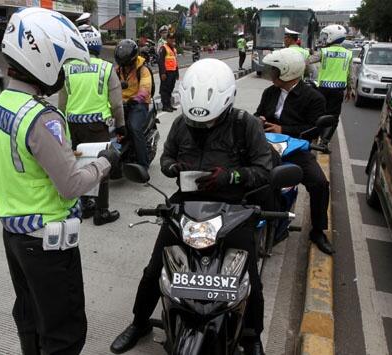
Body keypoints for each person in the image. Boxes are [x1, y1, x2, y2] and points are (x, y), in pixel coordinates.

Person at [110, 59, 273, 355]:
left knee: (249, 279)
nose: (200, 127)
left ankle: (252, 336)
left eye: (208, 122)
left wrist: (232, 176)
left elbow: (264, 169)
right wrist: (174, 167)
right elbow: (166, 157)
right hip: (186, 205)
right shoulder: (181, 124)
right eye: (197, 122)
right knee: (154, 269)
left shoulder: (244, 124)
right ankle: (139, 321)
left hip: (232, 208)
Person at [0, 8, 120, 354]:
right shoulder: (41, 117)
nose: (61, 73)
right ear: (41, 59)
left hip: (14, 233)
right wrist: (105, 162)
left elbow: (20, 165)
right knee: (64, 332)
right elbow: (72, 185)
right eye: (60, 64)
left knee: (29, 316)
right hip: (47, 243)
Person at [254, 48, 334, 255]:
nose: (271, 73)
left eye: (276, 70)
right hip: (266, 145)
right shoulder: (269, 92)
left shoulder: (313, 98)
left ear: (288, 72)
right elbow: (258, 113)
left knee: (319, 183)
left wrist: (284, 129)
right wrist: (259, 120)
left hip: (293, 147)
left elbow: (313, 129)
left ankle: (318, 231)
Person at [58, 25, 125, 226]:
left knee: (79, 165)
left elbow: (61, 104)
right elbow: (116, 103)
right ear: (97, 45)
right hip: (97, 127)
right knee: (102, 165)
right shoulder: (106, 68)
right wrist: (121, 125)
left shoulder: (67, 69)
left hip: (73, 127)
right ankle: (101, 211)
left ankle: (85, 205)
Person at [114, 39, 153, 168]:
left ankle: (143, 165)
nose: (124, 67)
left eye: (127, 64)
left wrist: (135, 99)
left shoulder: (143, 70)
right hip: (120, 104)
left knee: (134, 127)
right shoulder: (117, 70)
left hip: (138, 104)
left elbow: (145, 89)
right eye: (122, 64)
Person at [307, 25, 353, 119]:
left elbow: (307, 61)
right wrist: (349, 90)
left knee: (320, 112)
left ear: (332, 37)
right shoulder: (348, 53)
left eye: (326, 36)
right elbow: (350, 75)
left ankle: (319, 131)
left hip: (323, 88)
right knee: (333, 115)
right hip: (338, 90)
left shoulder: (324, 52)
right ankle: (329, 131)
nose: (324, 38)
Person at [158, 32, 178, 112]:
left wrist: (177, 73)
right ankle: (165, 106)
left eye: (173, 38)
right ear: (167, 39)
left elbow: (175, 62)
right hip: (166, 73)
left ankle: (169, 105)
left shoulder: (174, 49)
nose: (172, 40)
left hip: (172, 72)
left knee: (170, 89)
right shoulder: (163, 48)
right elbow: (161, 61)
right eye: (170, 38)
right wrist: (162, 73)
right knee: (165, 90)